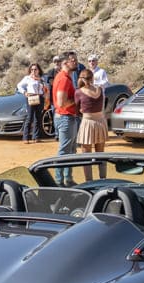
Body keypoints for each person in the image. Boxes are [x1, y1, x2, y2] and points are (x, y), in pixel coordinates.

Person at [75, 69, 108, 182]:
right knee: (101, 154)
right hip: (100, 121)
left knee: (86, 155)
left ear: (81, 79)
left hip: (88, 122)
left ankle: (89, 182)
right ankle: (103, 180)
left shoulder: (79, 92)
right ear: (92, 78)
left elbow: (76, 109)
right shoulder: (99, 89)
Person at [52, 54, 79, 186]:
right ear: (65, 63)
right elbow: (61, 102)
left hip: (67, 117)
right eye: (72, 60)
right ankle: (59, 181)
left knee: (70, 151)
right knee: (64, 151)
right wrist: (77, 99)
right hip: (65, 117)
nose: (75, 62)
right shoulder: (63, 79)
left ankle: (67, 179)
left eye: (76, 60)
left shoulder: (65, 78)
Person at [17, 63, 46, 144]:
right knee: (30, 117)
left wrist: (44, 93)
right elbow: (19, 86)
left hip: (40, 98)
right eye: (32, 69)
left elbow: (45, 88)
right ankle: (25, 137)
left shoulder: (41, 79)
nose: (33, 71)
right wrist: (25, 92)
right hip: (31, 97)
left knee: (38, 118)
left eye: (35, 69)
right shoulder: (27, 78)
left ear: (38, 70)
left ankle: (36, 137)